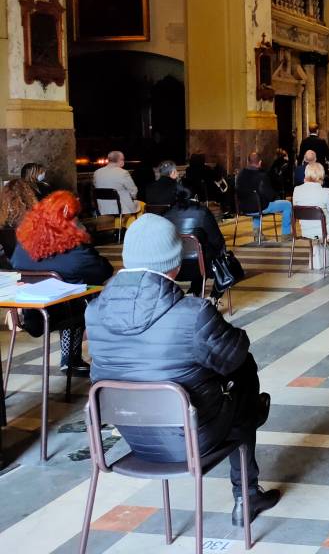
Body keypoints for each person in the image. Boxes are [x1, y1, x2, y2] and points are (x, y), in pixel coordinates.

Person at [85, 214, 279, 525]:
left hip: (133, 436)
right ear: (175, 263)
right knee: (242, 375)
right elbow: (236, 353)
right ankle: (246, 493)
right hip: (191, 437)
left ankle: (248, 458)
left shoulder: (94, 311)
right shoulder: (193, 314)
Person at [12, 191, 114, 374]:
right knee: (91, 290)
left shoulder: (23, 245)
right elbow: (103, 270)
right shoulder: (75, 251)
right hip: (65, 313)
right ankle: (73, 357)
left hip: (32, 314)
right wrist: (83, 239)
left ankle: (72, 358)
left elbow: (15, 265)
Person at [164, 186, 228, 296]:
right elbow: (217, 241)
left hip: (171, 267)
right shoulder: (202, 212)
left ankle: (194, 290)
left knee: (202, 251)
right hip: (200, 267)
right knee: (218, 255)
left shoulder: (166, 214)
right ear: (196, 196)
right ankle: (214, 297)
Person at [292, 161, 329, 269]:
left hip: (306, 230)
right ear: (321, 175)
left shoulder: (296, 190)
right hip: (323, 230)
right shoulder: (326, 192)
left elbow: (296, 209)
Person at [235, 152, 292, 240]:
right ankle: (286, 234)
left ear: (248, 161)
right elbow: (269, 195)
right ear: (260, 162)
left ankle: (257, 234)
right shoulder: (262, 176)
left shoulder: (240, 175)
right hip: (258, 207)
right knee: (287, 204)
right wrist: (276, 196)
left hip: (242, 208)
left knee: (256, 202)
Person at [93, 150, 140, 216]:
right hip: (121, 210)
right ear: (120, 160)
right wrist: (133, 197)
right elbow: (133, 191)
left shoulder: (97, 172)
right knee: (140, 205)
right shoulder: (123, 173)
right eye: (123, 159)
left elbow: (96, 187)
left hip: (102, 209)